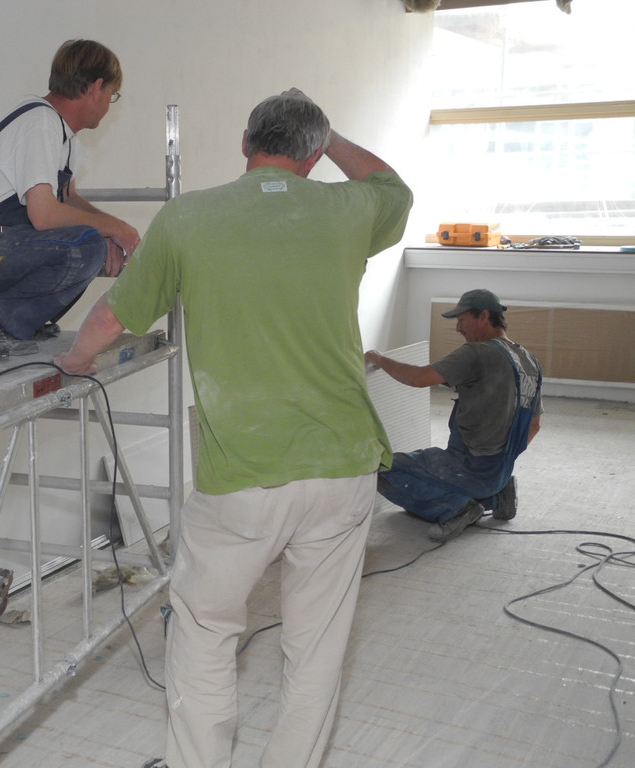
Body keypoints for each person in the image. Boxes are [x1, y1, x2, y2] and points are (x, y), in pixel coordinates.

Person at [56, 88, 412, 768]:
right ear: (313, 156)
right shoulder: (349, 209)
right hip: (342, 467)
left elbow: (111, 318)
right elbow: (392, 185)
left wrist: (75, 361)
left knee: (204, 628)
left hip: (242, 478)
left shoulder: (189, 217)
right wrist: (330, 135)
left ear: (245, 142)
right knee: (316, 649)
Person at [0, 39, 141, 355]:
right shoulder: (40, 123)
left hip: (1, 246)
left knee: (93, 241)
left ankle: (15, 317)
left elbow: (68, 200)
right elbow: (44, 215)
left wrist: (109, 231)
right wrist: (115, 227)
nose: (109, 104)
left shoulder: (63, 136)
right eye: (112, 94)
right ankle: (0, 315)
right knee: (87, 244)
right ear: (95, 88)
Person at [364, 288, 543, 542]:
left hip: (468, 465)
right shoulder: (529, 361)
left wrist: (379, 359)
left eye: (462, 319)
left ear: (484, 316)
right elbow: (534, 426)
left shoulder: (477, 353)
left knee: (383, 468)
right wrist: (499, 463)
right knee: (454, 474)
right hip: (500, 469)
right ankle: (497, 494)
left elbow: (418, 378)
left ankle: (457, 509)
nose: (458, 328)